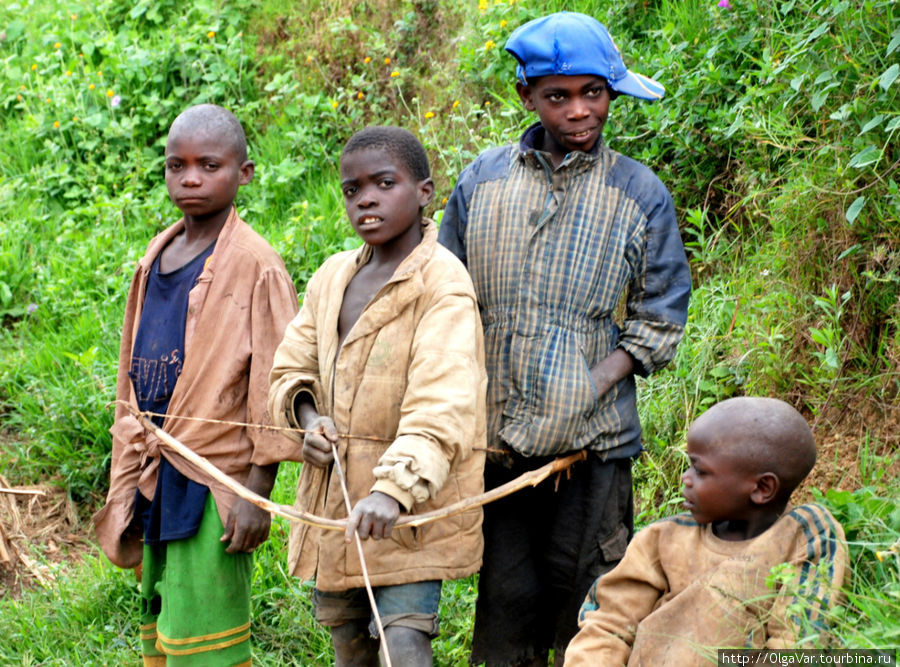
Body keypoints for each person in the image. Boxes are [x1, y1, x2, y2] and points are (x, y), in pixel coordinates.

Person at [438, 11, 691, 666]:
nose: (579, 110)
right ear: (526, 97)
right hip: (498, 445)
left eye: (594, 93)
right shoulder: (481, 183)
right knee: (505, 601)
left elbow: (660, 316)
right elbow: (445, 300)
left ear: (612, 93)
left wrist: (590, 383)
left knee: (592, 605)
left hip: (593, 449)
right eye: (558, 96)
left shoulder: (639, 193)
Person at [268, 126, 487, 666]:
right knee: (348, 641)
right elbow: (291, 367)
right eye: (352, 189)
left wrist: (392, 491)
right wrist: (308, 419)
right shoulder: (331, 278)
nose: (365, 198)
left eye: (384, 183)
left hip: (412, 510)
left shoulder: (443, 284)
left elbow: (443, 403)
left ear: (424, 192)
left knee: (404, 640)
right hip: (336, 504)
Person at [92, 103, 299, 666]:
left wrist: (256, 494)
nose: (189, 179)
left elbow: (276, 386)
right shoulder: (157, 255)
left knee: (205, 638)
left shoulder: (257, 266)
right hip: (159, 470)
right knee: (162, 625)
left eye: (209, 165)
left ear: (245, 173)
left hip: (215, 479)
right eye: (175, 166)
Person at [564, 397, 849, 666]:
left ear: (762, 488)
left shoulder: (804, 537)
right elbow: (607, 625)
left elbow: (795, 646)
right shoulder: (664, 539)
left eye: (700, 471)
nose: (685, 479)